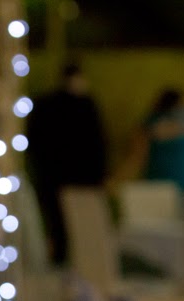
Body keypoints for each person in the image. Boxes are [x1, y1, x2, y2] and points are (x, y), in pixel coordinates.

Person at [25, 63, 108, 266]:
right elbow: (98, 142)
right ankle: (78, 270)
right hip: (81, 179)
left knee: (60, 228)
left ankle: (62, 268)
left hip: (53, 176)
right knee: (82, 230)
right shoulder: (85, 105)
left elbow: (34, 140)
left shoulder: (44, 104)